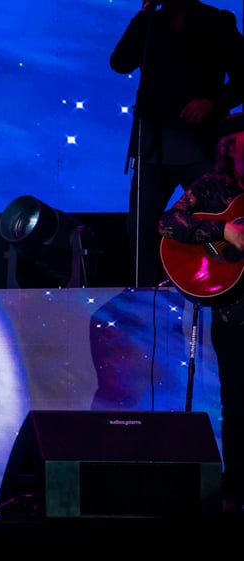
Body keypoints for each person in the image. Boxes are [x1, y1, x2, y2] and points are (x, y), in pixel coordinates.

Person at [110, 0, 244, 287]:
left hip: (201, 145)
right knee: (140, 228)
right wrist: (144, 14)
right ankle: (144, 299)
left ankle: (218, 289)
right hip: (154, 146)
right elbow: (120, 63)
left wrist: (213, 103)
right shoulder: (151, 24)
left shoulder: (217, 21)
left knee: (218, 222)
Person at [159, 111, 244, 516]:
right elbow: (168, 222)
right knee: (237, 405)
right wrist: (221, 233)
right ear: (230, 148)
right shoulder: (213, 186)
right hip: (234, 315)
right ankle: (235, 488)